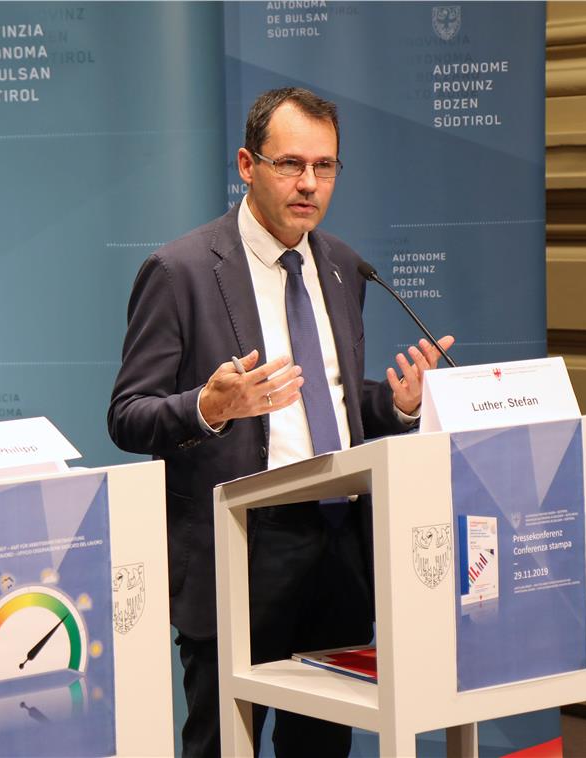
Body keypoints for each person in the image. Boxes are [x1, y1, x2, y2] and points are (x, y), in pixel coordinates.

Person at [107, 88, 453, 757]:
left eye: (325, 166)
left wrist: (398, 405)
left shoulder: (343, 265)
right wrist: (209, 407)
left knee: (322, 745)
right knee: (223, 743)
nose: (309, 184)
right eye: (290, 164)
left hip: (338, 544)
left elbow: (332, 401)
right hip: (241, 546)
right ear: (247, 165)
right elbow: (127, 415)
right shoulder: (181, 271)